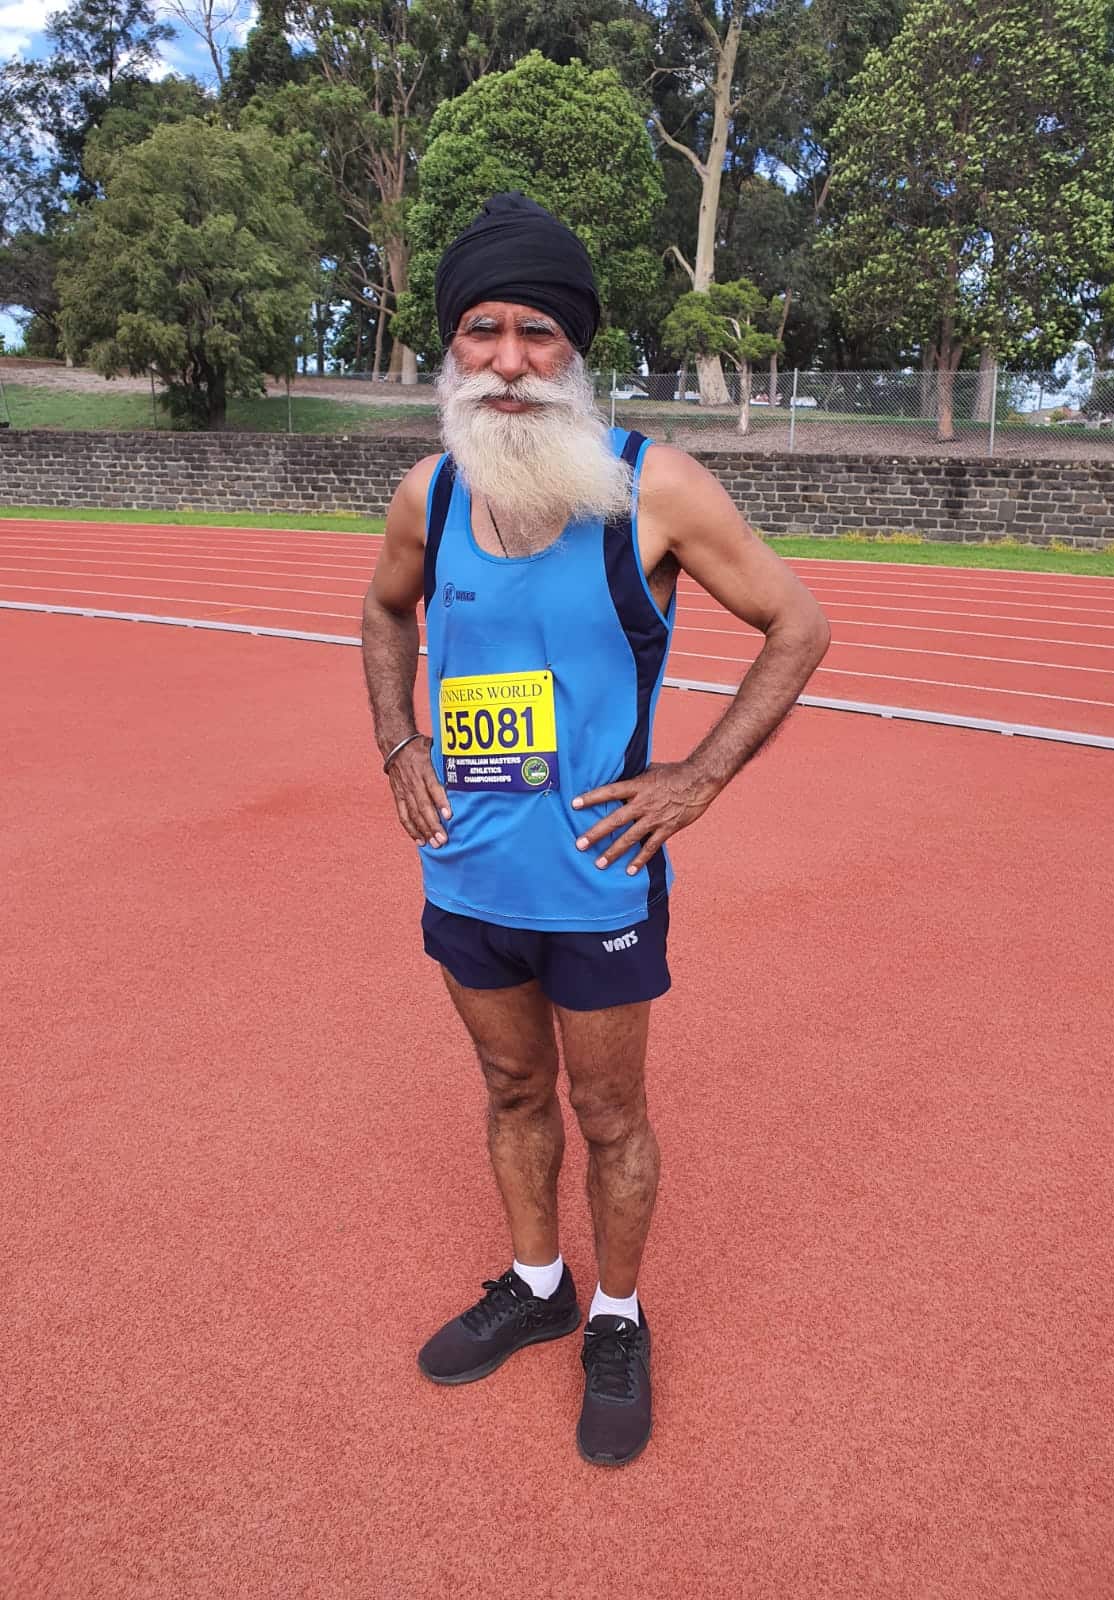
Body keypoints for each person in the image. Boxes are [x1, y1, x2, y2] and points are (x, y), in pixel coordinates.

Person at [362, 193, 830, 1467]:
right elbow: (385, 615)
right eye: (480, 331)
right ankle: (537, 1283)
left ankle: (616, 1314)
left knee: (610, 1113)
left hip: (599, 882)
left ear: (576, 350)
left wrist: (698, 779)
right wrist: (398, 741)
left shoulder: (652, 488)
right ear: (447, 348)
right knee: (511, 1085)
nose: (508, 361)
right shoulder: (430, 492)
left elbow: (799, 624)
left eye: (537, 335)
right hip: (465, 871)